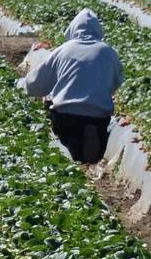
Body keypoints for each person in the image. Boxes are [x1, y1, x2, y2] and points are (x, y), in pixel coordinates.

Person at [23, 9, 124, 164]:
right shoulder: (108, 52)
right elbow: (115, 83)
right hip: (98, 117)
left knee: (65, 139)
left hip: (66, 115)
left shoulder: (64, 50)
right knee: (96, 133)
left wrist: (22, 85)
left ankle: (71, 150)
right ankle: (90, 146)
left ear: (73, 29)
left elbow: (38, 85)